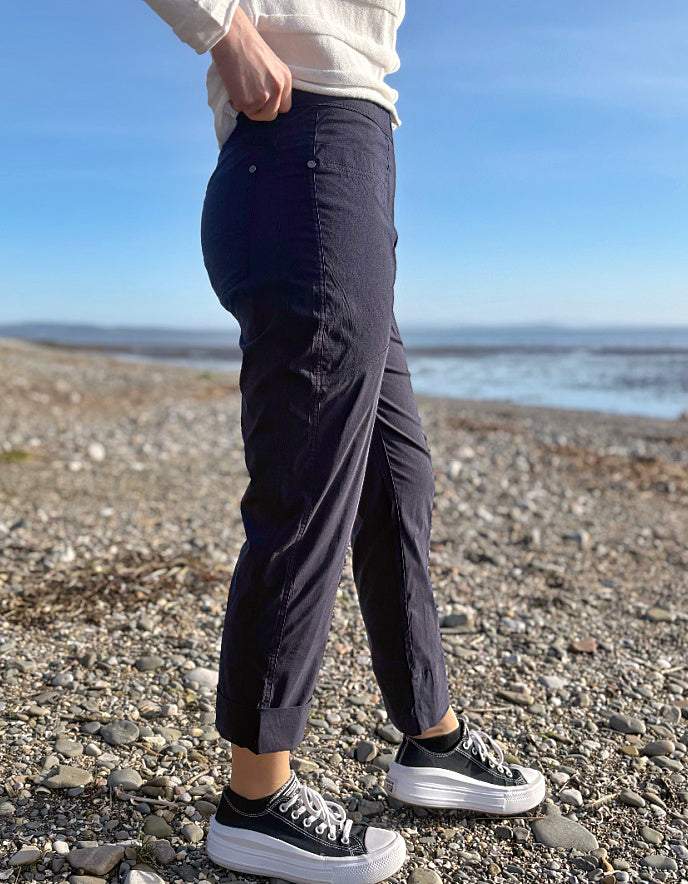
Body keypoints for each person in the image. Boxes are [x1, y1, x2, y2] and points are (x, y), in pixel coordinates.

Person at [140, 2, 547, 881]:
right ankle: (256, 797)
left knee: (397, 475)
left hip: (345, 160)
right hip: (301, 148)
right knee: (309, 478)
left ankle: (430, 737)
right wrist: (226, 31)